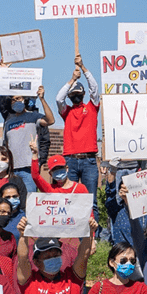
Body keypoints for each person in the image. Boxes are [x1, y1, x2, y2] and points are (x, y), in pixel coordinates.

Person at [57, 54, 102, 207]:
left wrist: (83, 68)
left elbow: (94, 88)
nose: (75, 96)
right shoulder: (66, 112)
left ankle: (92, 231)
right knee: (70, 201)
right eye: (72, 94)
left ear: (83, 95)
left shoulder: (91, 108)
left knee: (91, 202)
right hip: (70, 160)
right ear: (69, 97)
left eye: (78, 94)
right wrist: (72, 80)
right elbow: (58, 99)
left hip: (89, 160)